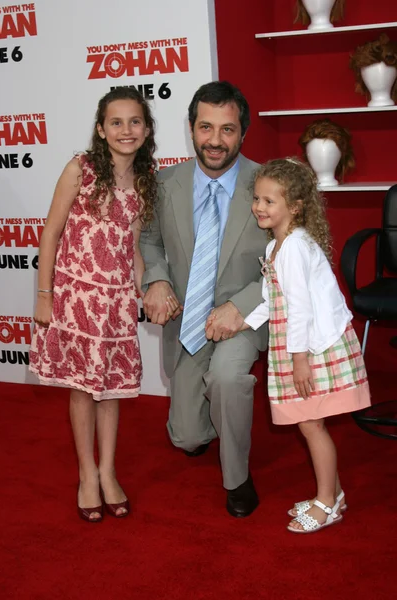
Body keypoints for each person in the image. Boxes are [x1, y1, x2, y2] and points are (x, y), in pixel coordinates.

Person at [29, 88, 158, 522]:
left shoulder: (144, 180)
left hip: (116, 304)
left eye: (135, 122)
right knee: (83, 390)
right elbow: (50, 234)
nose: (126, 130)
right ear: (101, 130)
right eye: (116, 122)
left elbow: (134, 248)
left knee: (111, 391)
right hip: (73, 298)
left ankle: (108, 473)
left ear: (146, 129)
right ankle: (87, 474)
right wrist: (44, 296)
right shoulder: (79, 169)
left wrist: (150, 290)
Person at [141, 81, 268, 518]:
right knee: (187, 438)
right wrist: (155, 280)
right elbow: (150, 241)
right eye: (206, 127)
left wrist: (243, 305)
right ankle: (211, 423)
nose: (215, 141)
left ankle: (238, 479)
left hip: (243, 315)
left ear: (243, 133)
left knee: (228, 379)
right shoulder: (164, 182)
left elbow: (292, 258)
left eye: (227, 130)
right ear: (192, 129)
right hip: (189, 321)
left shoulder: (269, 183)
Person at [239, 157, 371, 533]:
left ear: (294, 207)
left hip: (311, 350)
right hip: (296, 346)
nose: (259, 207)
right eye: (257, 199)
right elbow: (271, 301)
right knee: (309, 424)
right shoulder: (275, 247)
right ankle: (333, 494)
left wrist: (299, 362)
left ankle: (328, 503)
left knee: (312, 425)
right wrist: (242, 324)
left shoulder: (294, 247)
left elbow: (299, 308)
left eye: (269, 201)